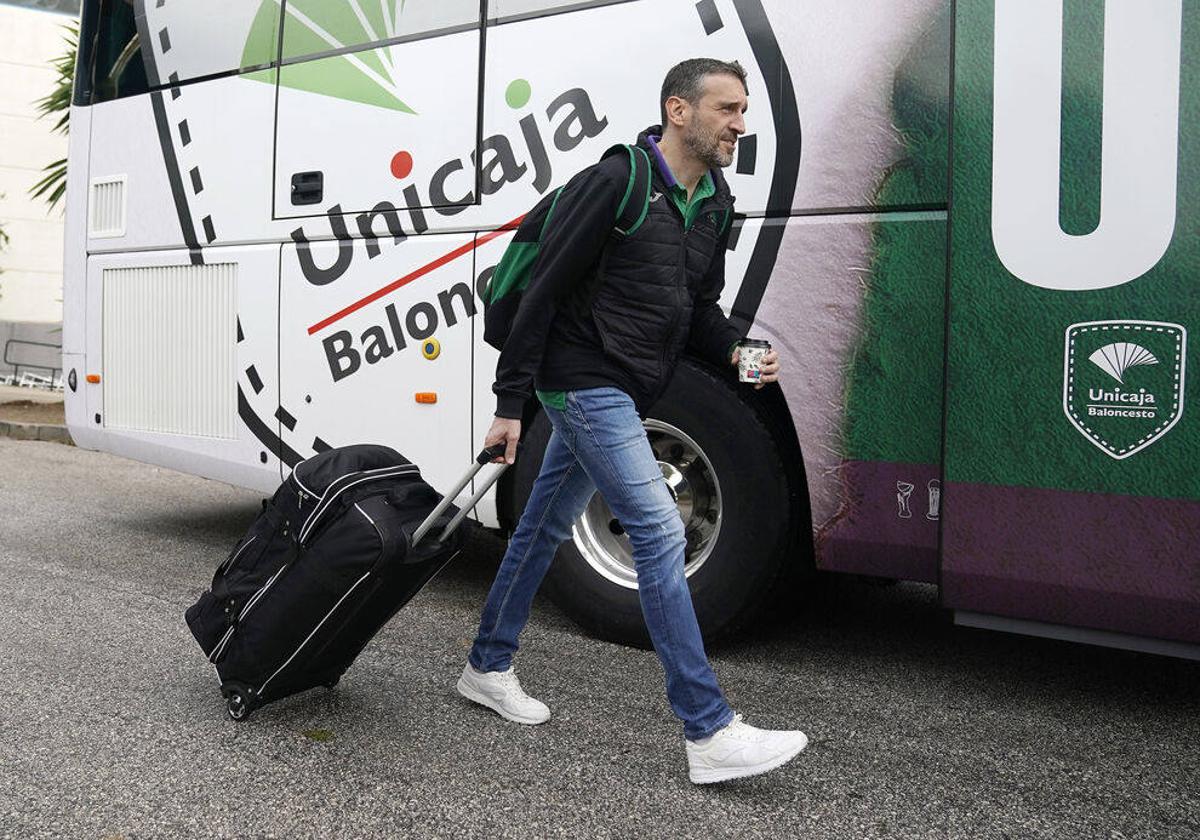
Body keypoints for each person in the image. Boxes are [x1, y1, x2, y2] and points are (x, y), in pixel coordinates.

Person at [456, 58, 807, 784]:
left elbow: (695, 310)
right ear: (679, 112)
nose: (741, 124)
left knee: (543, 526)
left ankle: (487, 666)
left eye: (744, 110)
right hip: (580, 379)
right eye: (727, 109)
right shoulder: (616, 183)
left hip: (631, 383)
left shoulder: (713, 201)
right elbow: (544, 294)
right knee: (657, 528)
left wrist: (740, 353)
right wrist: (510, 405)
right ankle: (708, 730)